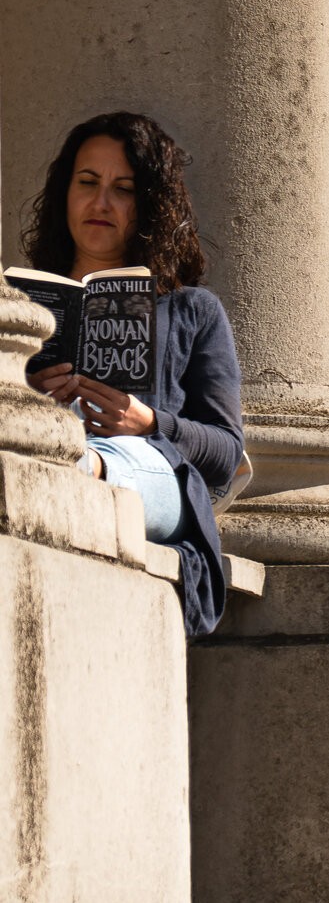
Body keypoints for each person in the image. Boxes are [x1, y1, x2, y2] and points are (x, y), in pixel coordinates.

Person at [22, 112, 244, 636]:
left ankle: (75, 467)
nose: (101, 203)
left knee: (92, 459)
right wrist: (29, 399)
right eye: (87, 183)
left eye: (122, 189)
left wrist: (148, 422)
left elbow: (225, 452)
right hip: (45, 443)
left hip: (148, 469)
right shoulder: (19, 306)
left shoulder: (193, 310)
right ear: (65, 192)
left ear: (148, 206)